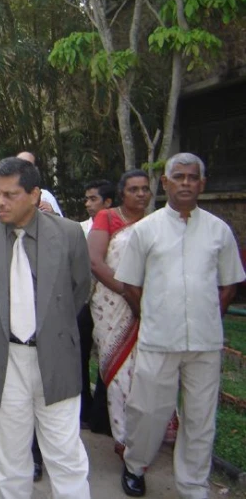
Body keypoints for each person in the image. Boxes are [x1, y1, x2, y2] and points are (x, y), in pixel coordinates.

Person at [0, 157, 91, 499]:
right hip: (3, 360)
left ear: (34, 195)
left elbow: (79, 291)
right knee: (9, 461)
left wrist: (47, 329)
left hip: (55, 357)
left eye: (9, 194)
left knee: (66, 456)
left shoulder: (68, 234)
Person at [116, 153, 245, 498]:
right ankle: (135, 465)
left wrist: (209, 315)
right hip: (158, 339)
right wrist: (152, 313)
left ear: (202, 184)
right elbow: (130, 283)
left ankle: (192, 484)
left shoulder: (219, 230)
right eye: (179, 176)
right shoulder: (145, 230)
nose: (186, 182)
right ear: (166, 183)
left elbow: (230, 283)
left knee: (200, 417)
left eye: (192, 177)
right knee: (147, 411)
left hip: (205, 342)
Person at [87, 170, 151, 456]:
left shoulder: (156, 223)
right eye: (134, 189)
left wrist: (144, 299)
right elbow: (95, 262)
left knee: (146, 372)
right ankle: (124, 439)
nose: (140, 194)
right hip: (112, 303)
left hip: (149, 305)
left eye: (145, 189)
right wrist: (128, 293)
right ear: (122, 193)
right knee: (118, 371)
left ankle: (147, 433)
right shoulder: (107, 218)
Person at [77, 179, 115, 431]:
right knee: (78, 356)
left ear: (108, 202)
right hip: (82, 301)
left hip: (112, 302)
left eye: (94, 199)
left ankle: (103, 415)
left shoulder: (121, 228)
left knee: (108, 356)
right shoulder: (78, 229)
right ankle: (82, 409)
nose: (88, 204)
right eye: (87, 199)